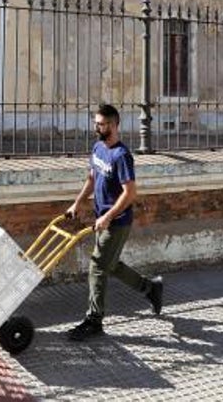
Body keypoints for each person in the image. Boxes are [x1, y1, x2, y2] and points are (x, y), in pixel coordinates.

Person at [64, 103, 163, 341]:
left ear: (116, 125)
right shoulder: (98, 148)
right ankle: (150, 288)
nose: (99, 128)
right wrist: (77, 203)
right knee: (110, 264)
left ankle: (94, 320)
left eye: (104, 124)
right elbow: (91, 178)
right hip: (103, 219)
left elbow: (129, 193)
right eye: (97, 123)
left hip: (116, 222)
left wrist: (108, 217)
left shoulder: (121, 155)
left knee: (97, 265)